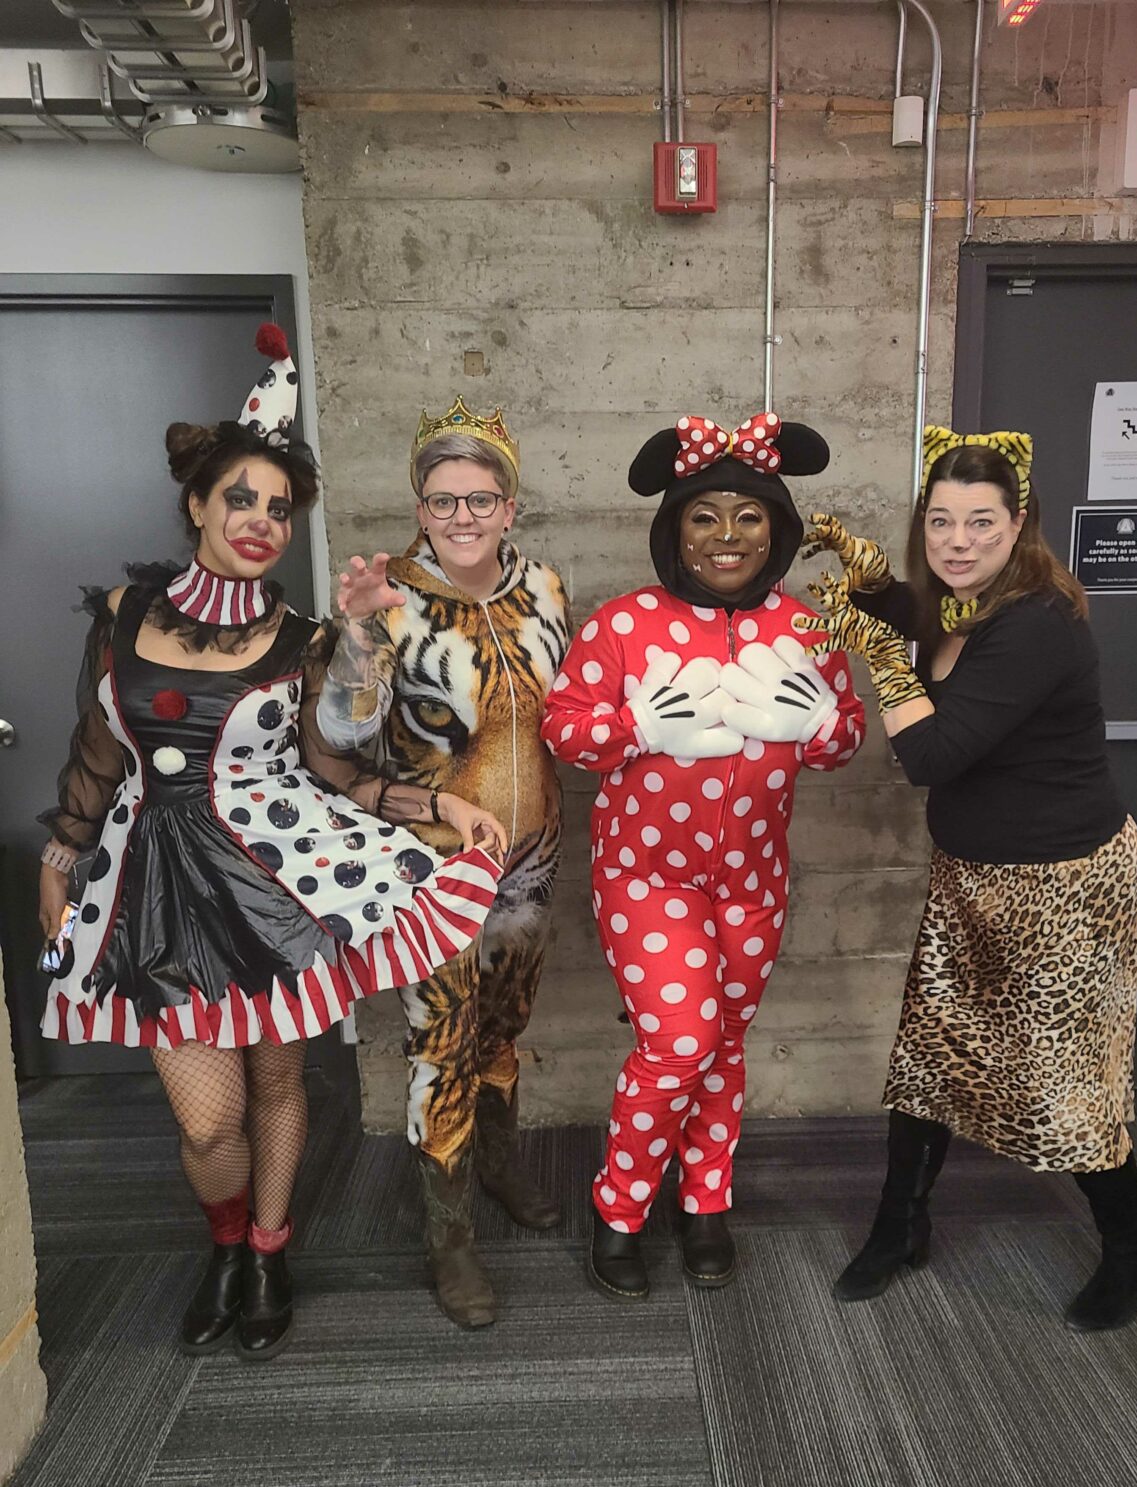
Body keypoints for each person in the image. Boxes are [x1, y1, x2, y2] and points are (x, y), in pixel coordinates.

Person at [37, 327, 505, 1362]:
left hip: (272, 883)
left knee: (279, 1082)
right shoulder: (119, 616)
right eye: (238, 499)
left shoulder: (304, 642)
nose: (258, 521)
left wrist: (436, 805)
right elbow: (93, 754)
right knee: (208, 1123)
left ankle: (266, 1250)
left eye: (278, 508)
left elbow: (336, 764)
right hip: (151, 887)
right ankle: (222, 1239)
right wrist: (60, 858)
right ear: (197, 504)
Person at [801, 426, 1137, 1332]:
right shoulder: (959, 607)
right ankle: (900, 1225)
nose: (958, 541)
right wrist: (871, 577)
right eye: (941, 522)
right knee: (930, 1055)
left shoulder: (1037, 624)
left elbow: (931, 752)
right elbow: (915, 624)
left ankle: (1134, 1246)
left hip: (1064, 889)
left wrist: (876, 653)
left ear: (1022, 526)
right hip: (974, 875)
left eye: (981, 523)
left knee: (1063, 1082)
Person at [542, 411, 864, 1300]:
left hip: (755, 879)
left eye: (748, 515)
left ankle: (706, 1201)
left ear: (778, 528)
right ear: (674, 527)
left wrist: (822, 724)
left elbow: (845, 739)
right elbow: (564, 730)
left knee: (723, 1045)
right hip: (647, 877)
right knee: (679, 1042)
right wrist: (633, 727)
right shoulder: (623, 623)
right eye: (705, 515)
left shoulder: (806, 623)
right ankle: (621, 1206)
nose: (727, 536)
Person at [315, 399, 570, 1329]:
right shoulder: (387, 595)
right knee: (440, 1045)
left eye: (481, 498)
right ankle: (448, 1239)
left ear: (512, 504)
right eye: (442, 501)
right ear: (419, 508)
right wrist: (355, 636)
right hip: (432, 870)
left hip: (534, 858)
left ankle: (498, 1170)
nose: (462, 517)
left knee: (504, 1024)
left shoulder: (546, 587)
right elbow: (339, 740)